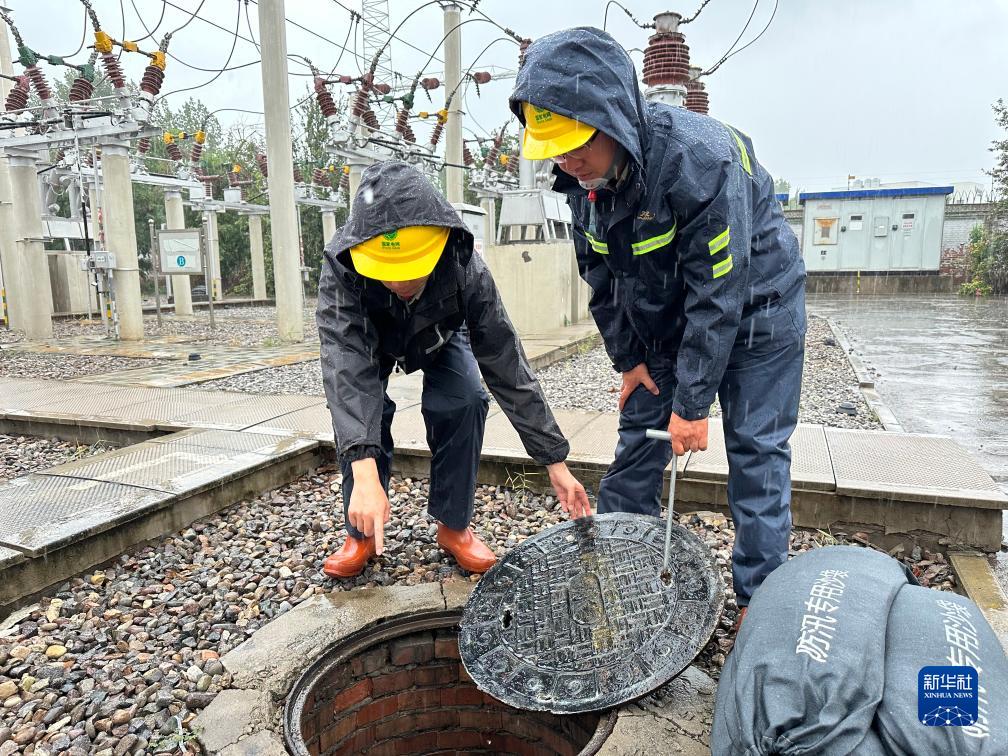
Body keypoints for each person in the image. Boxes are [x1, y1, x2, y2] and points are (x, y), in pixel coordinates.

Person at [510, 27, 807, 627]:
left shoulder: (701, 161)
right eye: (555, 150)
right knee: (639, 439)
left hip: (758, 306)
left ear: (614, 119)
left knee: (756, 449)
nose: (565, 162)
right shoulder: (581, 180)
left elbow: (719, 293)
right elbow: (599, 271)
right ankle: (625, 565)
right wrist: (630, 361)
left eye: (575, 146)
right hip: (670, 317)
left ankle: (759, 599)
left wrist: (694, 403)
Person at [316, 160, 591, 579]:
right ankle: (362, 532)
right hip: (372, 335)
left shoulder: (466, 268)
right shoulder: (343, 264)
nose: (400, 283)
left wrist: (554, 459)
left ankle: (453, 526)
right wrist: (364, 469)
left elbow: (507, 365)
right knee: (365, 415)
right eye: (389, 274)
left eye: (412, 270)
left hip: (440, 332)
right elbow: (346, 369)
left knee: (465, 400)